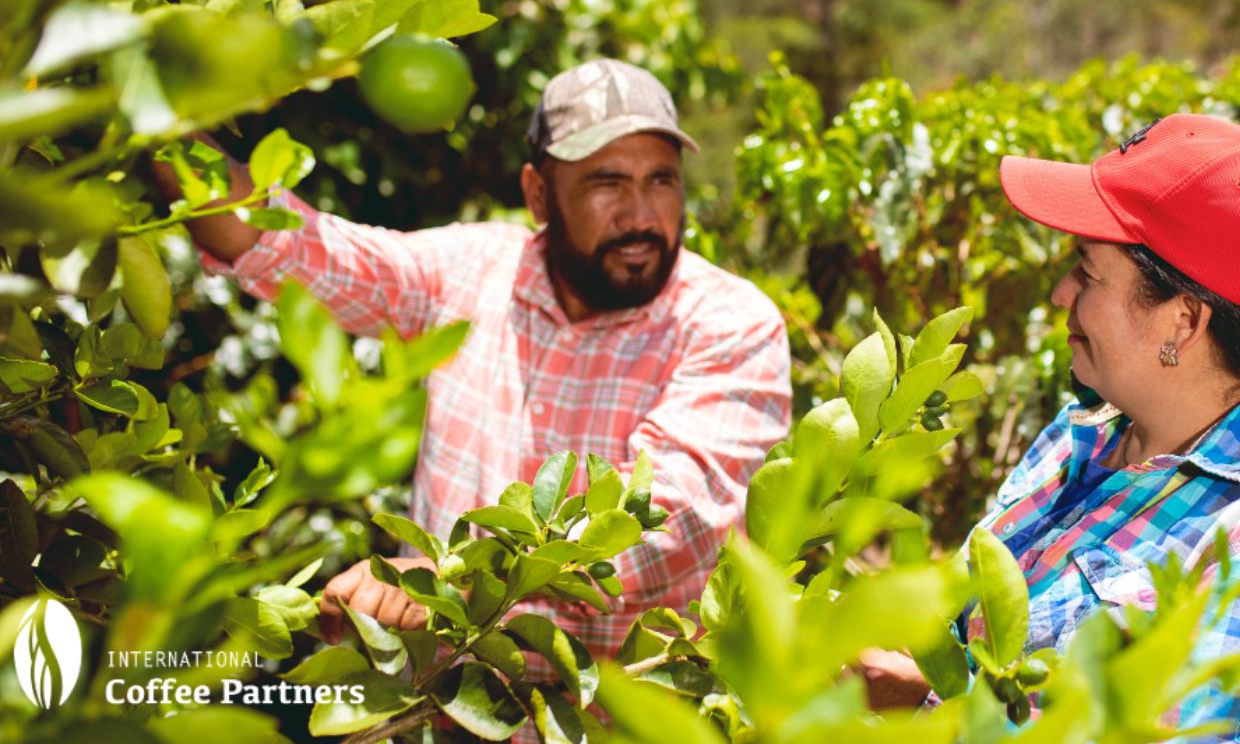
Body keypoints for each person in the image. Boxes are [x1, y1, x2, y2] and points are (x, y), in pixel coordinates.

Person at [163, 58, 792, 661]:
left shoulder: (729, 323)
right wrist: (145, 117)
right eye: (607, 183)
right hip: (434, 723)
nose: (641, 214)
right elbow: (288, 245)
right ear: (539, 196)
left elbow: (666, 532)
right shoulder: (469, 273)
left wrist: (453, 581)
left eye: (662, 179)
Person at [861, 113, 1240, 744]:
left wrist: (935, 712)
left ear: (1183, 321)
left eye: (1088, 272)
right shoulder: (1085, 430)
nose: (1058, 292)